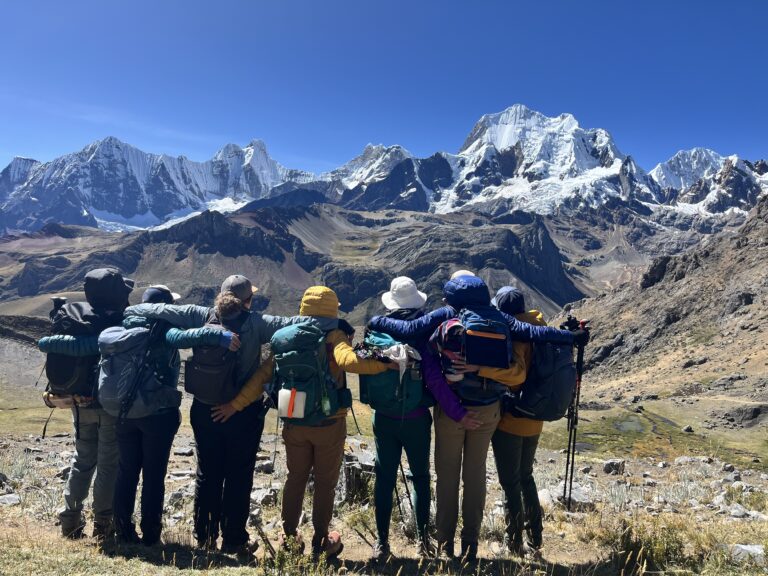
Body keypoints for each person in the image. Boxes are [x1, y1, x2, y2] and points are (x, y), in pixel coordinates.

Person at [123, 275, 304, 556]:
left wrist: (131, 310)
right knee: (238, 476)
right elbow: (292, 325)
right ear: (248, 301)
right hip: (242, 412)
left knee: (207, 474)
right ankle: (233, 540)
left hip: (204, 410)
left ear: (220, 296)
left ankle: (205, 537)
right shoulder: (256, 323)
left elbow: (160, 310)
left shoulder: (200, 315)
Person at [211, 286, 393, 560]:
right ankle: (321, 541)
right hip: (329, 423)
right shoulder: (335, 335)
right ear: (333, 308)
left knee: (295, 479)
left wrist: (234, 405)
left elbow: (262, 376)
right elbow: (350, 361)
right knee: (325, 483)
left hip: (294, 422)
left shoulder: (287, 339)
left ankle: (289, 537)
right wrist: (386, 362)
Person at [364, 277, 479, 562]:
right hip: (416, 418)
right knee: (421, 478)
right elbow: (435, 381)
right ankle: (423, 542)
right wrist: (459, 414)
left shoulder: (376, 328)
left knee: (384, 477)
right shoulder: (424, 333)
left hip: (384, 417)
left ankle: (381, 543)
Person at [112, 286, 238, 546]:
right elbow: (184, 338)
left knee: (126, 471)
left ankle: (122, 529)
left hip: (123, 410)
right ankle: (150, 534)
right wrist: (218, 335)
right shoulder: (161, 328)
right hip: (156, 413)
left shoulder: (123, 327)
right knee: (153, 475)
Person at [38, 268, 134, 540]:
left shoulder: (72, 315)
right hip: (109, 404)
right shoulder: (119, 321)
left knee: (82, 461)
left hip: (79, 403)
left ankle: (70, 520)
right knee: (107, 464)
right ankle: (103, 523)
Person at [490, 287, 545, 556]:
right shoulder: (538, 327)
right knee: (526, 477)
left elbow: (517, 375)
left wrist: (485, 370)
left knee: (510, 483)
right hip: (535, 418)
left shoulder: (517, 335)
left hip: (511, 419)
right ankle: (536, 538)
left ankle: (513, 544)